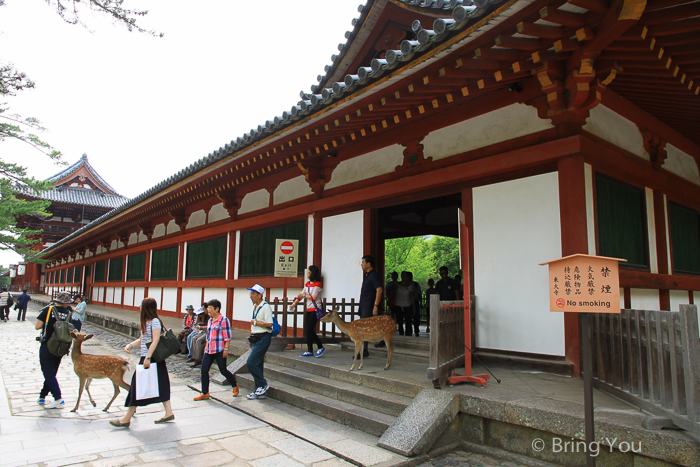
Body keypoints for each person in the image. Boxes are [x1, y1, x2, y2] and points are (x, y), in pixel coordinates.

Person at [110, 297, 174, 427]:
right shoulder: (147, 321)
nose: (139, 308)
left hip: (152, 358)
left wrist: (148, 358)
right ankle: (169, 412)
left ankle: (126, 418)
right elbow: (142, 339)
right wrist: (130, 345)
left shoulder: (155, 321)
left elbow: (155, 340)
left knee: (137, 386)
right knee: (160, 384)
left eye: (141, 305)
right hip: (148, 357)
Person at [35, 291, 74, 409]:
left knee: (48, 372)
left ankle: (58, 398)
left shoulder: (48, 310)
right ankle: (42, 396)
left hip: (47, 345)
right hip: (61, 346)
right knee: (52, 373)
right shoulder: (68, 313)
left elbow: (37, 326)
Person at [194, 299, 239, 400]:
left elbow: (227, 336)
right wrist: (206, 346)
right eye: (208, 308)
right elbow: (208, 335)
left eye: (210, 308)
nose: (208, 310)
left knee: (223, 370)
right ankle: (205, 392)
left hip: (220, 349)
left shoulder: (224, 320)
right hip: (209, 349)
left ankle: (234, 385)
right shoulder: (210, 320)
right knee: (204, 369)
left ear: (217, 309)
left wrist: (226, 349)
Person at [289, 265, 325, 358]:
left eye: (309, 272)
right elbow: (301, 295)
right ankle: (309, 350)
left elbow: (313, 297)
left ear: (313, 273)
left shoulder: (318, 284)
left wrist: (303, 296)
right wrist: (294, 303)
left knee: (309, 329)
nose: (307, 273)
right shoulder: (307, 284)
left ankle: (320, 346)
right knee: (307, 330)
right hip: (308, 309)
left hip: (315, 309)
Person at [246, 284, 273, 400]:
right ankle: (259, 390)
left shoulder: (265, 307)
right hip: (256, 337)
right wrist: (250, 336)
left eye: (252, 294)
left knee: (251, 362)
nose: (250, 296)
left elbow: (269, 323)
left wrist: (255, 323)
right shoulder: (255, 306)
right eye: (250, 294)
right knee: (258, 364)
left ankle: (262, 384)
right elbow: (253, 323)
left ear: (259, 295)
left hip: (264, 337)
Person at [357, 255, 383, 358]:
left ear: (369, 264)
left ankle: (364, 350)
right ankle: (365, 349)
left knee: (365, 328)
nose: (361, 264)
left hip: (369, 305)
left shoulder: (374, 275)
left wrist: (375, 305)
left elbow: (379, 289)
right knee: (365, 327)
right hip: (364, 304)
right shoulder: (367, 275)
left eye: (363, 262)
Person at [394, 271, 415, 336]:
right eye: (403, 276)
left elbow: (412, 297)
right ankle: (401, 334)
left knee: (408, 321)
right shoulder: (397, 285)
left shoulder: (410, 286)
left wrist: (414, 307)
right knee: (399, 321)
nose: (404, 277)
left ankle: (408, 334)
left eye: (406, 276)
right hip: (398, 305)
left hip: (407, 305)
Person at [409, 271, 422, 337]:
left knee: (416, 316)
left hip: (415, 301)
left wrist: (421, 302)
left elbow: (419, 294)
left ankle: (416, 330)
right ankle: (409, 331)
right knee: (409, 317)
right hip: (408, 302)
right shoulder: (405, 284)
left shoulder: (415, 284)